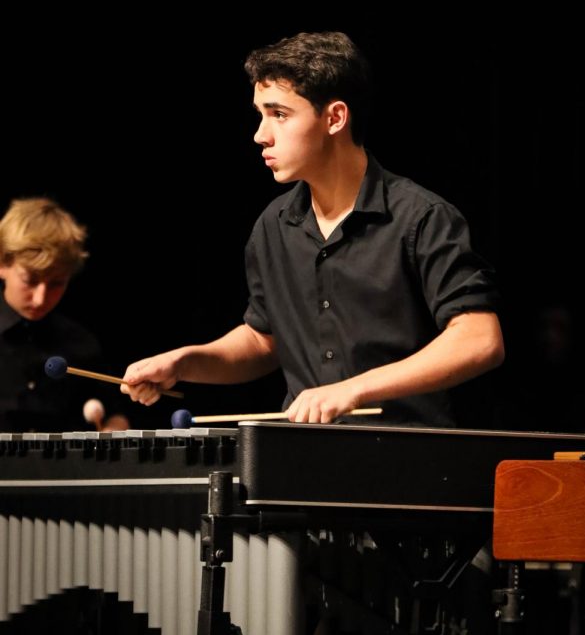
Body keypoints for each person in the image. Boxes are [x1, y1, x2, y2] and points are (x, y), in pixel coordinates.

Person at [122, 31, 504, 425]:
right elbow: (262, 340)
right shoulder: (273, 226)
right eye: (260, 115)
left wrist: (354, 388)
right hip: (304, 457)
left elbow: (478, 339)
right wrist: (187, 361)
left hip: (408, 460)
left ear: (335, 118)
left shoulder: (421, 218)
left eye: (279, 115)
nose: (260, 135)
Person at [0, 196, 128, 432]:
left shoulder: (81, 343)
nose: (40, 298)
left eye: (57, 283)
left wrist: (113, 431)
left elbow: (114, 416)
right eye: (30, 280)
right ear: (3, 263)